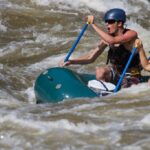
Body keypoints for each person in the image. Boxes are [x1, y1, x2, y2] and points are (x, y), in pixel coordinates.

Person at [59, 8, 141, 87]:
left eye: (110, 22)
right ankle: (103, 92)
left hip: (130, 74)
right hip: (115, 72)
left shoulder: (131, 34)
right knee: (100, 71)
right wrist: (72, 61)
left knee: (126, 88)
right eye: (106, 22)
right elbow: (91, 58)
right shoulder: (107, 38)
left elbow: (113, 41)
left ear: (119, 23)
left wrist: (93, 24)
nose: (107, 24)